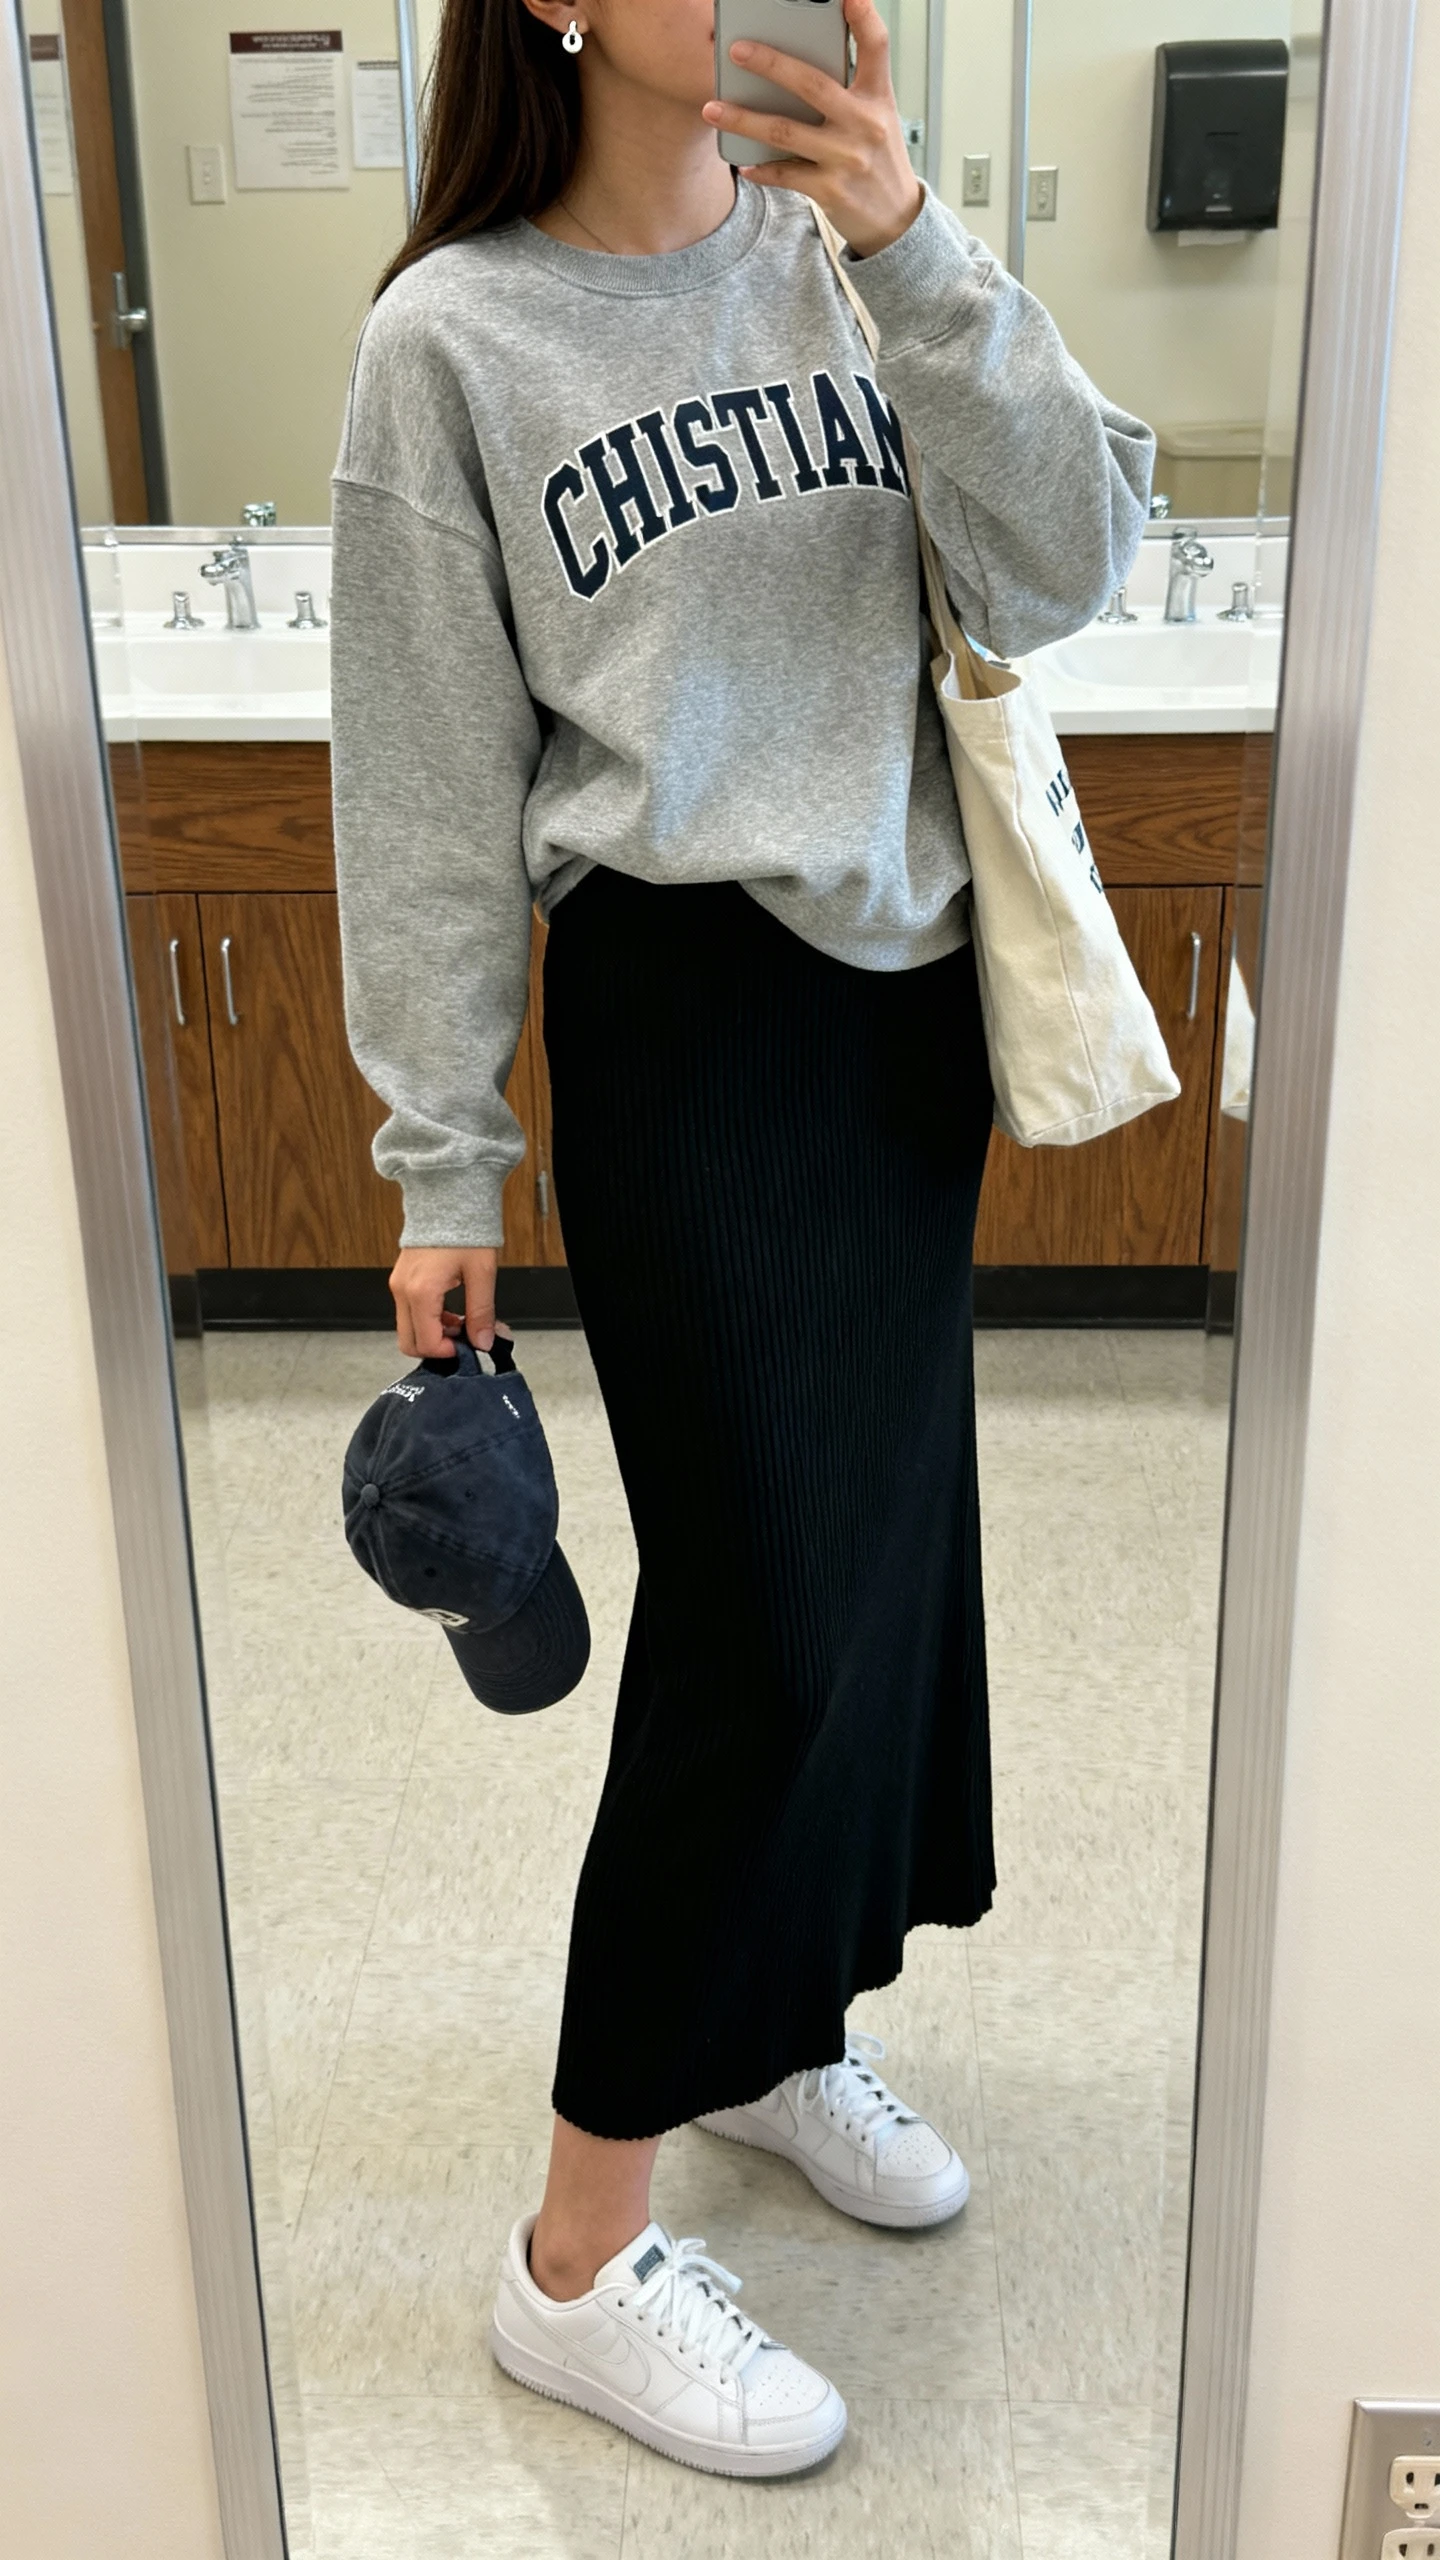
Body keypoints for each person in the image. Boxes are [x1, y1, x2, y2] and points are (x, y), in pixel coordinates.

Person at [330, 0, 1153, 2480]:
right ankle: (574, 2251)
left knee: (883, 1578)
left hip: (907, 1019)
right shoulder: (452, 339)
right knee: (761, 1619)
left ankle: (773, 2028)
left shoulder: (847, 253)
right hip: (687, 1020)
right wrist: (437, 1160)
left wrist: (916, 249)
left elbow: (1081, 552)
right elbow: (427, 790)